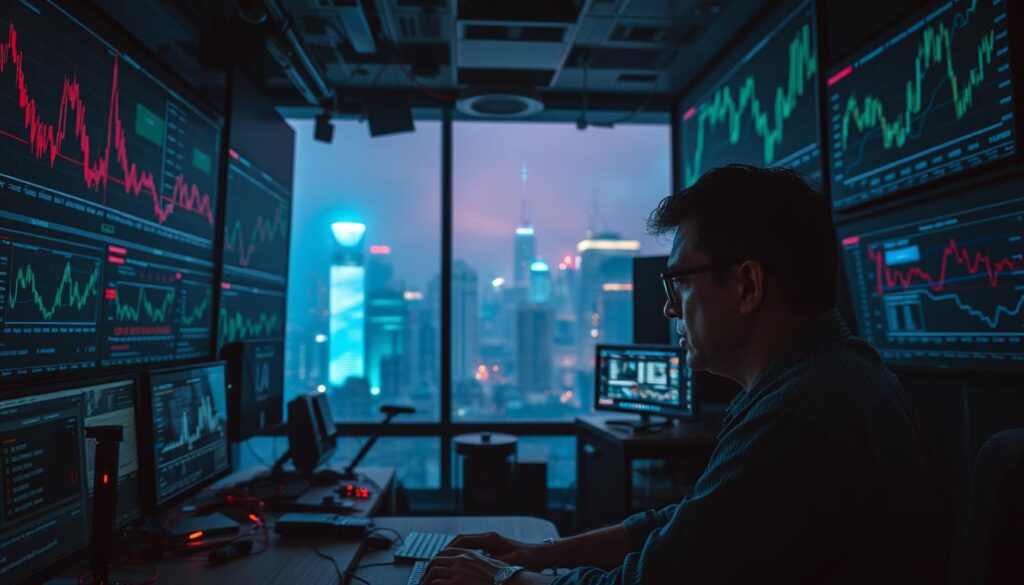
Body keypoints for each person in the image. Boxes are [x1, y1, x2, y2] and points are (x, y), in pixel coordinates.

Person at [423, 164, 949, 585]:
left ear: (747, 286)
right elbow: (692, 527)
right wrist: (539, 553)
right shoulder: (838, 373)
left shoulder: (796, 420)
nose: (670, 309)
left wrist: (503, 581)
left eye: (679, 282)